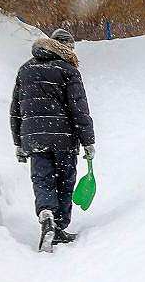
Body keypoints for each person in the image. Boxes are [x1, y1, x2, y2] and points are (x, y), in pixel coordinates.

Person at [10, 28, 95, 252]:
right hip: (64, 138)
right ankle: (58, 227)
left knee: (43, 179)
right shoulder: (68, 71)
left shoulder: (25, 70)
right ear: (67, 47)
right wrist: (88, 140)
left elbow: (15, 110)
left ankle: (46, 213)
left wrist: (18, 142)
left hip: (35, 139)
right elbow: (79, 110)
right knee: (64, 182)